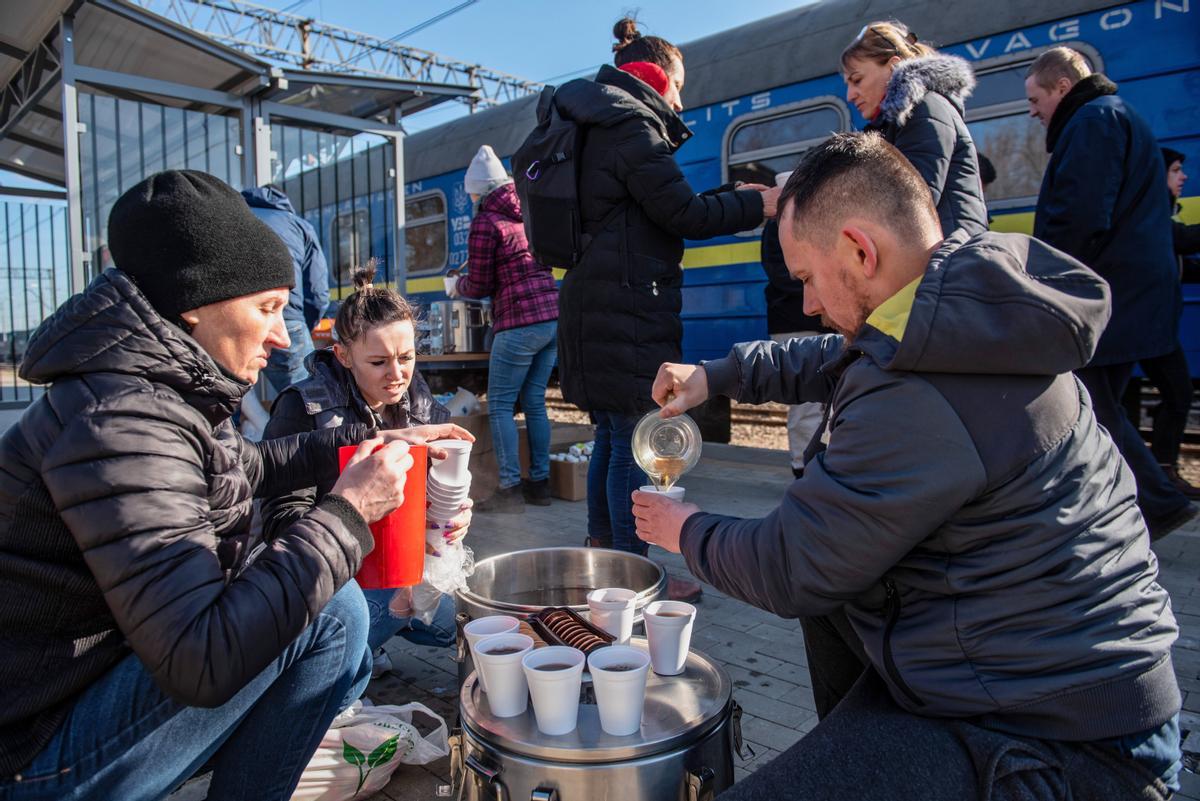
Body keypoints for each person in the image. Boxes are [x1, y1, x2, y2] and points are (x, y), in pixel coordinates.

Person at [632, 133, 1181, 800]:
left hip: (1064, 738)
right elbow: (832, 357)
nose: (805, 304)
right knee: (837, 596)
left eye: (806, 278)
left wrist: (683, 527)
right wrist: (715, 376)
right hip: (1034, 673)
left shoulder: (921, 393)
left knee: (820, 578)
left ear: (861, 250)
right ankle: (853, 749)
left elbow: (790, 565)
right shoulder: (958, 309)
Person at [0, 170, 469, 800]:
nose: (282, 336)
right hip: (34, 753)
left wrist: (377, 445)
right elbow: (203, 658)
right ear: (197, 303)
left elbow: (250, 466)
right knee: (330, 612)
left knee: (336, 609)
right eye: (269, 308)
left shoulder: (158, 390)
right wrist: (349, 509)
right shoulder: (123, 420)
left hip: (74, 691)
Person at [550, 17, 776, 600]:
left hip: (594, 299)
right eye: (682, 85)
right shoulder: (631, 123)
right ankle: (633, 575)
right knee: (631, 434)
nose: (682, 99)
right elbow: (686, 216)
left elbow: (655, 208)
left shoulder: (595, 119)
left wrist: (731, 198)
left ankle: (605, 552)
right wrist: (762, 205)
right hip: (626, 305)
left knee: (609, 432)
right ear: (662, 77)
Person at [262, 263, 467, 677]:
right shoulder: (303, 407)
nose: (397, 376)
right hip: (327, 582)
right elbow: (278, 523)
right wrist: (366, 525)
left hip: (403, 570)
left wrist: (452, 517)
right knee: (396, 602)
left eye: (406, 357)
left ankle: (370, 644)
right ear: (343, 355)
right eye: (378, 362)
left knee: (463, 624)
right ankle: (342, 659)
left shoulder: (416, 397)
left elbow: (438, 488)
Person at [1027, 46, 1196, 537]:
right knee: (1100, 405)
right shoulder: (1117, 116)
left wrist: (1043, 276)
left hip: (1109, 292)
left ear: (1062, 87)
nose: (1033, 110)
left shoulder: (1093, 121)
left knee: (1091, 406)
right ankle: (1116, 501)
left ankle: (1156, 503)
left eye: (1036, 98)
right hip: (1131, 289)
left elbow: (1080, 216)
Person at [451, 144, 559, 513]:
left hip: (518, 323)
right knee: (534, 402)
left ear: (479, 192)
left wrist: (456, 287)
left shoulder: (486, 221)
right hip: (550, 321)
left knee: (499, 406)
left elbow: (479, 284)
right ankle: (540, 486)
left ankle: (510, 489)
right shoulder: (526, 211)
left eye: (472, 196)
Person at [842, 21, 988, 238]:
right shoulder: (900, 119)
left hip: (948, 259)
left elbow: (910, 203)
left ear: (893, 67)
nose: (850, 95)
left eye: (857, 80)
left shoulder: (922, 108)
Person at [759, 216, 832, 478]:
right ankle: (803, 468)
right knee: (807, 403)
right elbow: (781, 274)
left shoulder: (817, 215)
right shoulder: (777, 224)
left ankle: (819, 466)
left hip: (824, 322)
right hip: (793, 322)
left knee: (824, 402)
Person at [243, 184, 330, 396]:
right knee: (310, 399)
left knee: (228, 400)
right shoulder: (298, 226)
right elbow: (318, 293)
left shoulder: (233, 219)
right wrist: (299, 325)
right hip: (287, 318)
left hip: (236, 322)